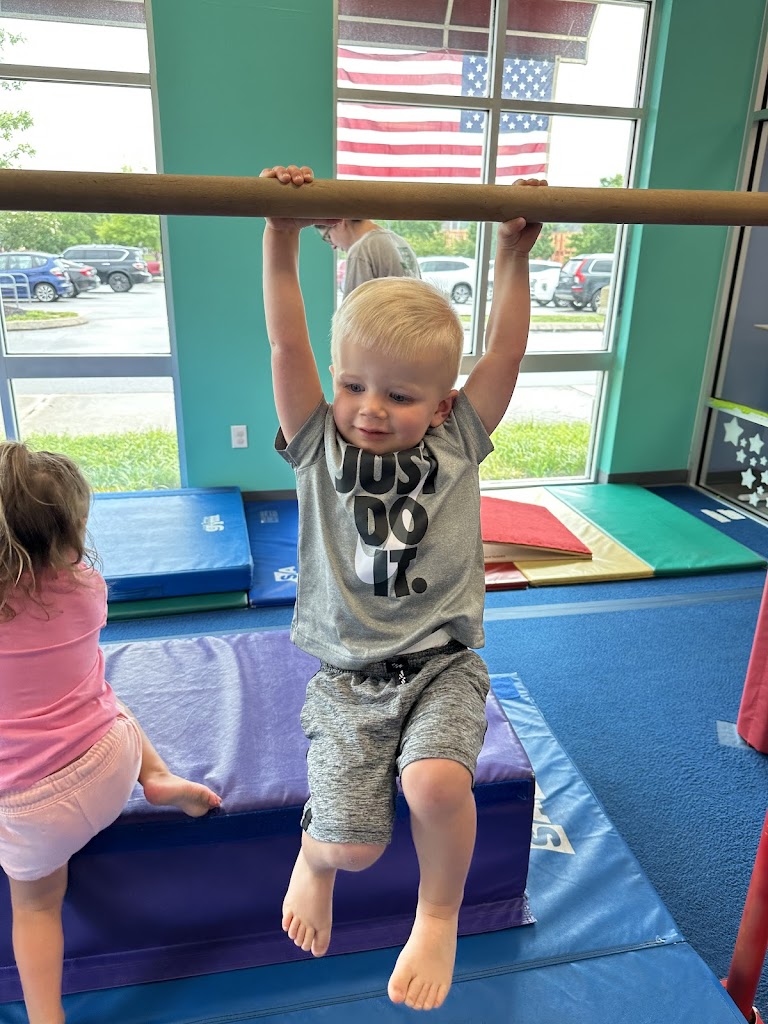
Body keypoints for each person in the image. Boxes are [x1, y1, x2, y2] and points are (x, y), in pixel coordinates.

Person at [260, 162, 545, 1012]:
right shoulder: (318, 444)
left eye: (399, 394)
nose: (370, 408)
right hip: (349, 677)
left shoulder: (456, 443)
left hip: (441, 665)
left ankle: (438, 912)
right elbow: (287, 345)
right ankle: (314, 857)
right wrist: (278, 233)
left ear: (443, 404)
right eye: (354, 386)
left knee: (435, 784)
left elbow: (506, 352)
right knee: (351, 850)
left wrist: (514, 255)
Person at [0, 442, 221, 1024]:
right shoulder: (85, 588)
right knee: (104, 695)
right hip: (109, 767)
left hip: (29, 813)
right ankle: (159, 776)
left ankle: (46, 1015)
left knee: (36, 909)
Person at [317, 217, 420, 297]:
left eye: (328, 237)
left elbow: (353, 313)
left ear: (340, 222)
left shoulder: (361, 250)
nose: (333, 246)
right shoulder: (400, 242)